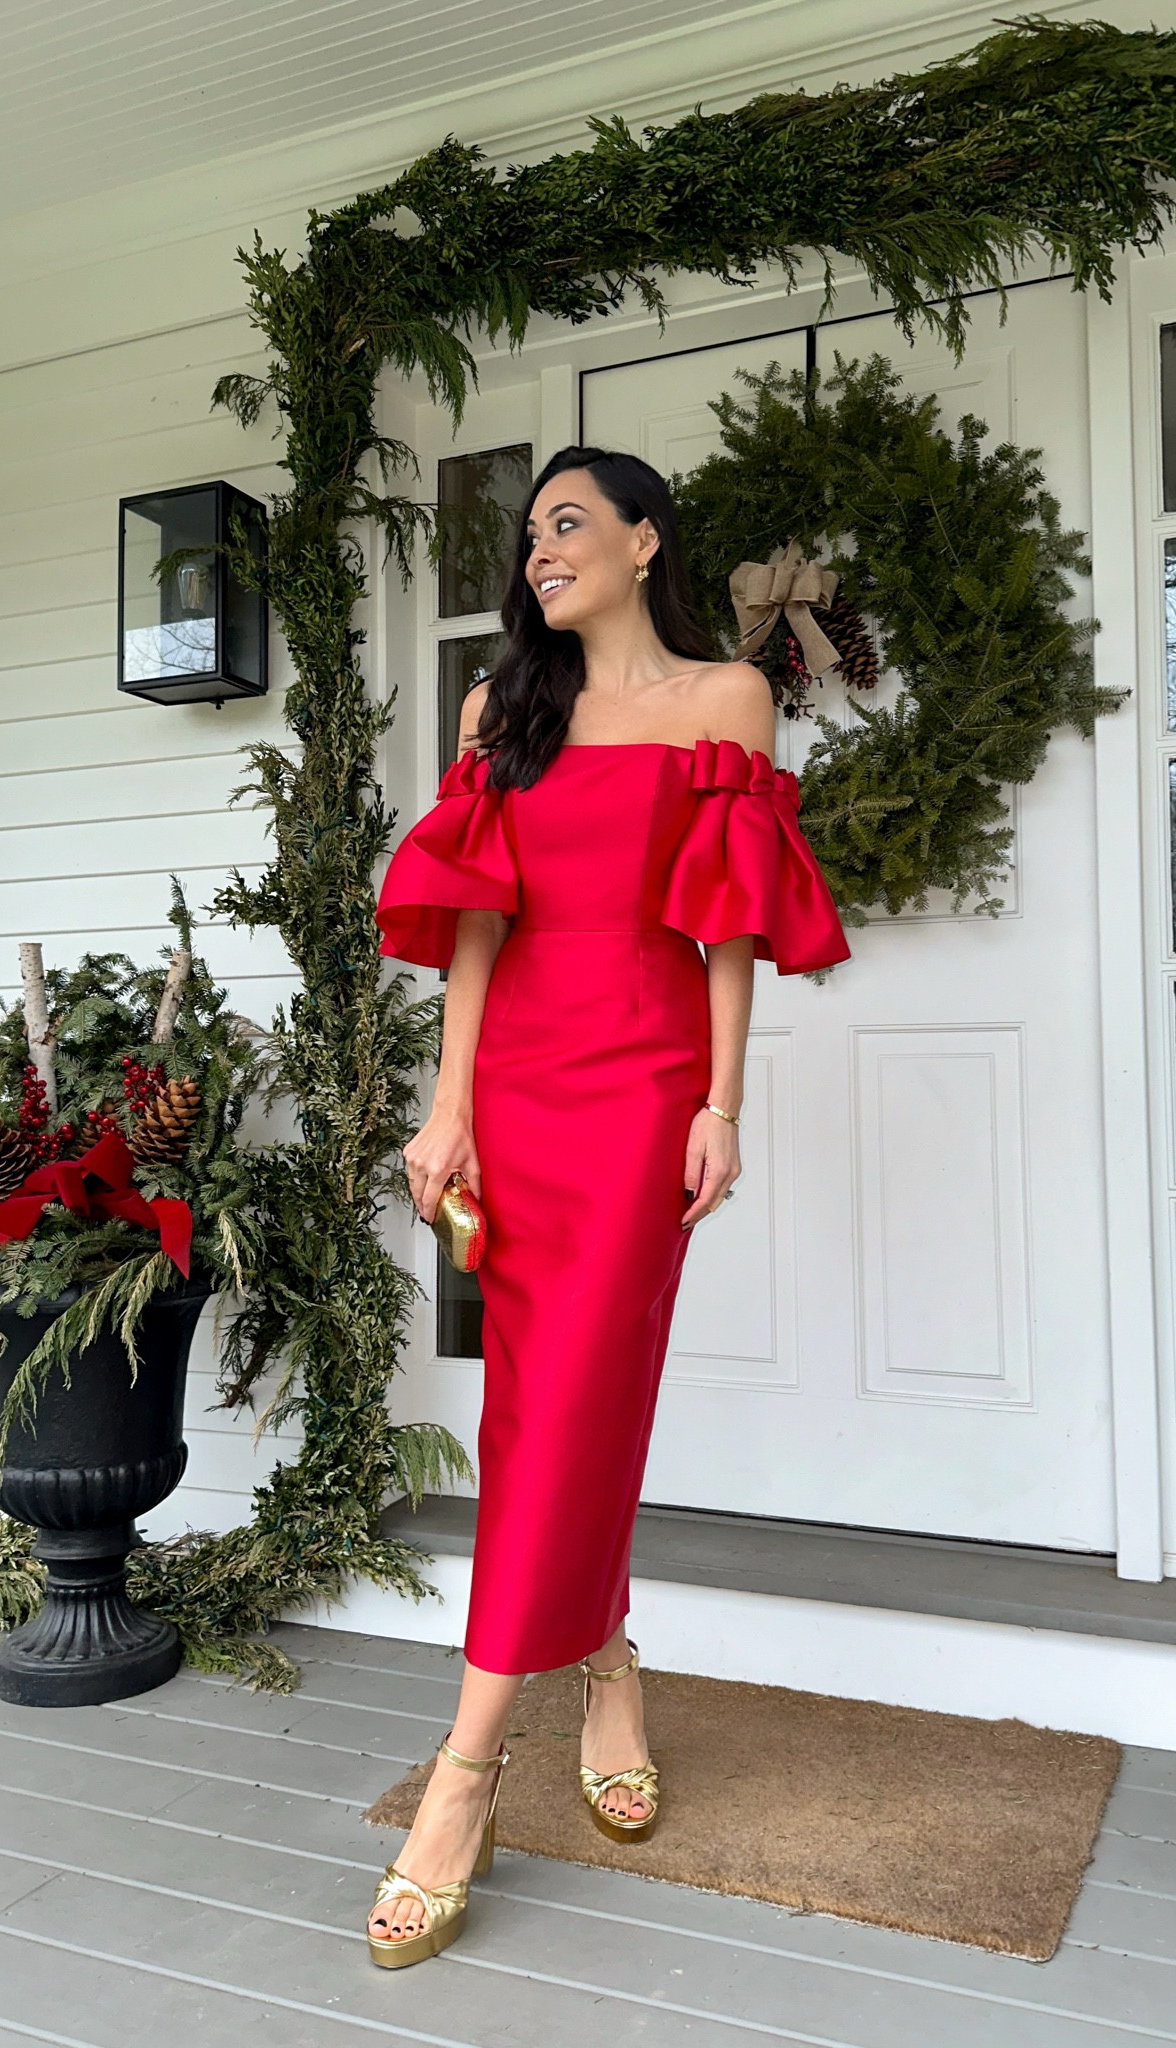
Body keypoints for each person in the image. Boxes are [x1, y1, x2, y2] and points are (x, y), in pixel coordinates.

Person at [366, 446, 850, 1966]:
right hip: (516, 1090)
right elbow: (476, 926)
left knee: (575, 1399)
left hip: (643, 1092)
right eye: (528, 536)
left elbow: (727, 924)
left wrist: (723, 1103)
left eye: (568, 523)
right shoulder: (496, 715)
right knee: (542, 1408)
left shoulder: (727, 702)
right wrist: (448, 1105)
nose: (538, 550)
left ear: (647, 542)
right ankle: (610, 1659)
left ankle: (463, 1774)